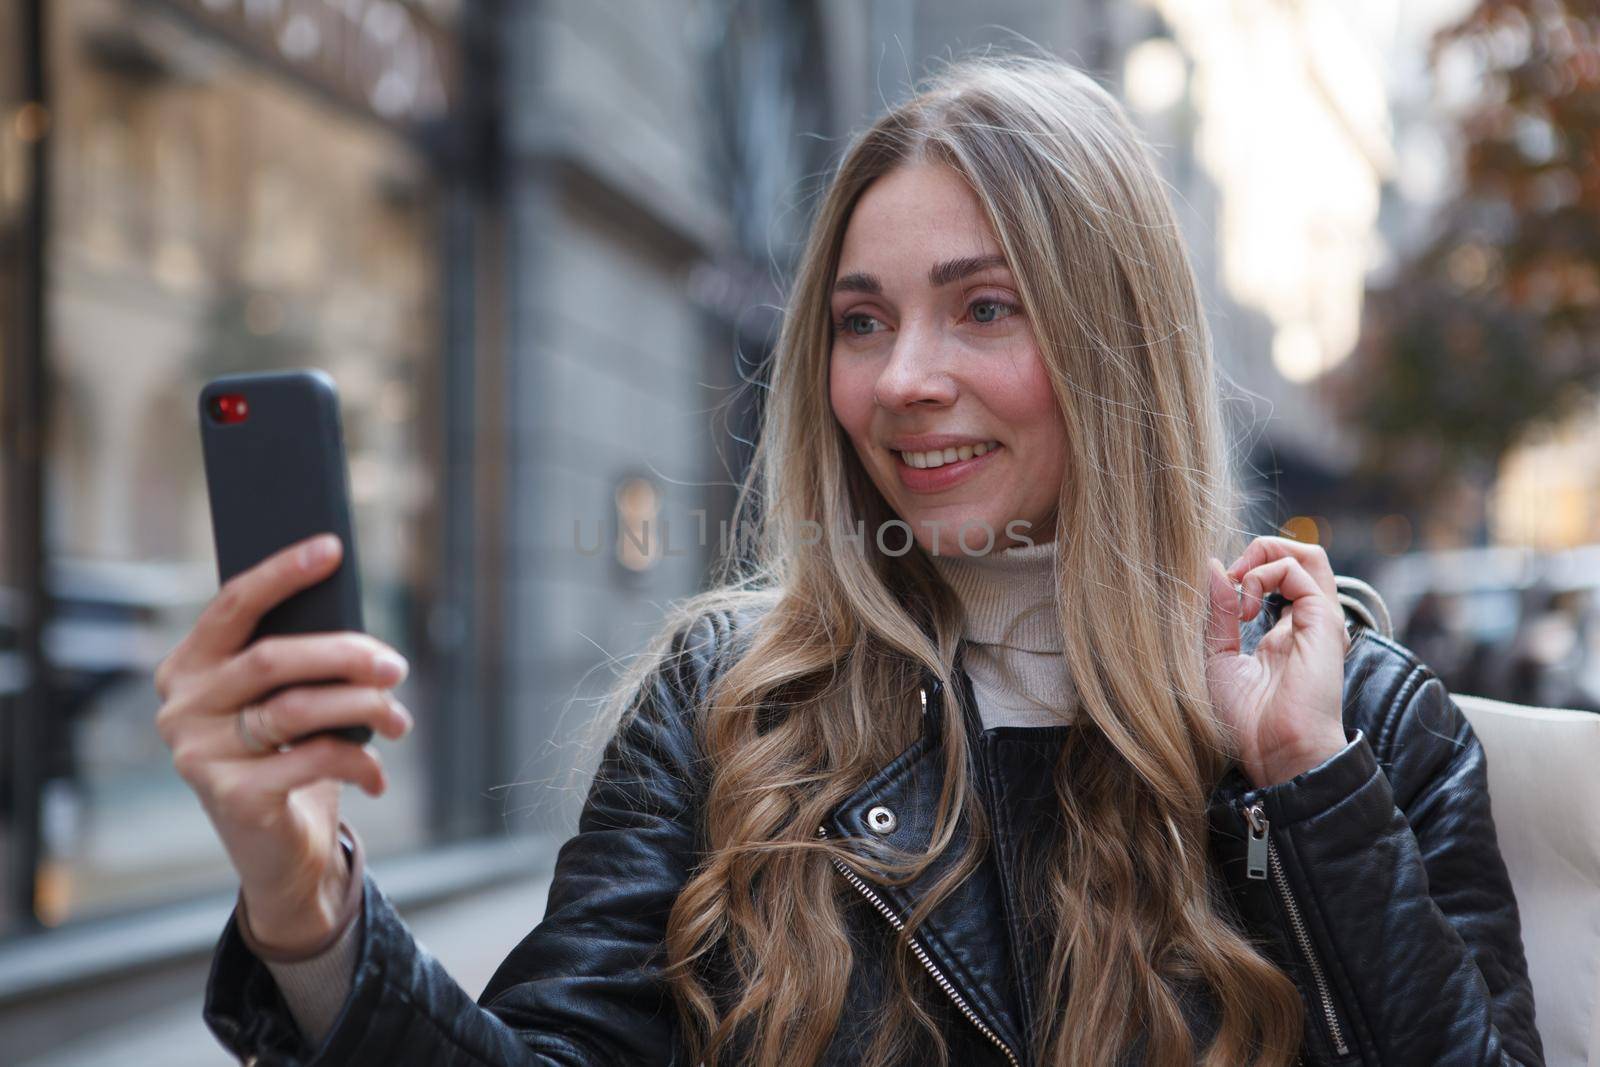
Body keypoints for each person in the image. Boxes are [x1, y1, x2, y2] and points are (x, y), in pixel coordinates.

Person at [158, 55, 1544, 1067]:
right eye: (861, 322)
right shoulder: (727, 701)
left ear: (1116, 344)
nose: (901, 381)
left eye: (982, 308)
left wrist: (1305, 792)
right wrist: (306, 905)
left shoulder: (1359, 726)